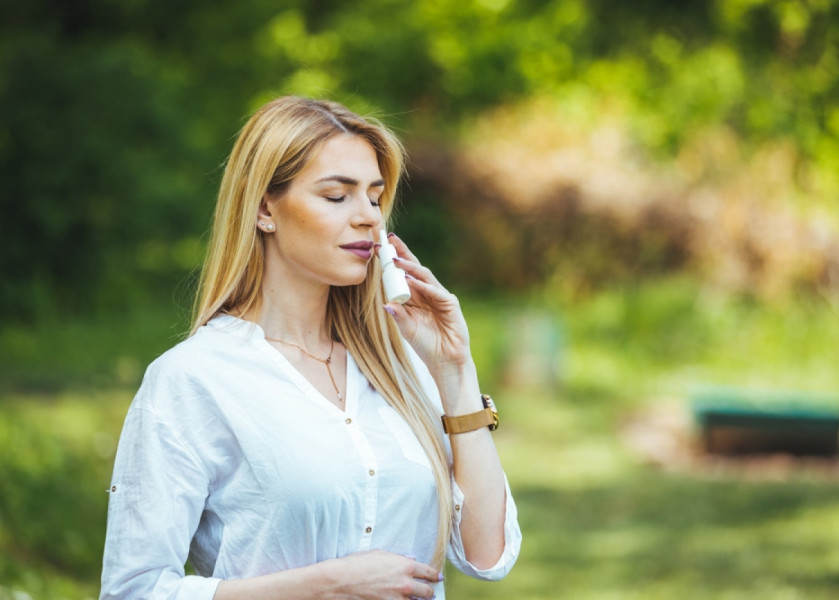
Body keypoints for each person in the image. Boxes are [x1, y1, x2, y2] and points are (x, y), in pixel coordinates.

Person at [98, 96, 521, 599]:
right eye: (337, 196)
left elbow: (486, 556)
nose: (367, 216)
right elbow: (134, 590)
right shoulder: (193, 379)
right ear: (264, 209)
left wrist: (454, 371)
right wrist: (326, 585)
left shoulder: (402, 364)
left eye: (374, 196)